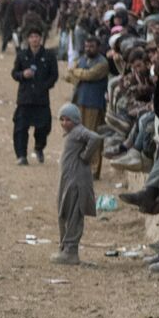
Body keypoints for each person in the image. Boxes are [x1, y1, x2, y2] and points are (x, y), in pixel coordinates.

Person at [52, 103, 101, 266]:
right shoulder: (72, 133)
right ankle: (64, 247)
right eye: (62, 119)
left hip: (76, 182)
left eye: (68, 120)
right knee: (64, 213)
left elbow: (95, 138)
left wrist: (86, 156)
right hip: (68, 181)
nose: (64, 123)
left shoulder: (79, 130)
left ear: (76, 120)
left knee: (73, 215)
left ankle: (71, 251)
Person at [11, 28, 59, 165]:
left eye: (36, 36)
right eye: (31, 37)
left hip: (41, 98)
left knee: (44, 127)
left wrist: (44, 86)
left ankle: (39, 147)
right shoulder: (22, 55)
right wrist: (22, 75)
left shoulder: (49, 56)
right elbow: (14, 73)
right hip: (25, 97)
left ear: (41, 38)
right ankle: (21, 155)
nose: (34, 39)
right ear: (28, 39)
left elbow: (54, 75)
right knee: (20, 127)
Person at [64, 34, 109, 177]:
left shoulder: (102, 63)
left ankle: (94, 169)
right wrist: (77, 73)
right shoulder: (82, 59)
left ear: (98, 47)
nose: (88, 49)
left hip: (94, 105)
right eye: (87, 46)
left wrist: (75, 72)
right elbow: (68, 77)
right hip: (79, 102)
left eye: (92, 46)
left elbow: (89, 75)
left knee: (93, 136)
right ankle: (79, 166)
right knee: (78, 136)